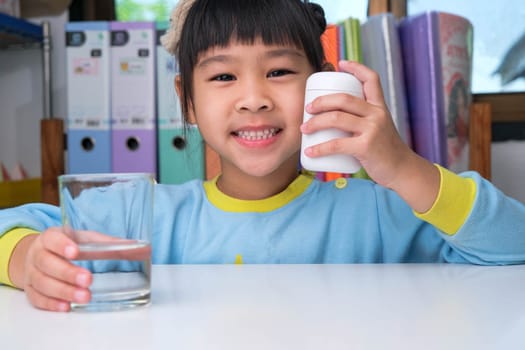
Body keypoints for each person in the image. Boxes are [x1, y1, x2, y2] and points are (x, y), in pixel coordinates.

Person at [1, 0, 525, 312]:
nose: (253, 97)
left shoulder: (378, 213)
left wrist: (402, 167)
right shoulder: (146, 215)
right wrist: (31, 262)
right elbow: (13, 228)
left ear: (322, 85)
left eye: (278, 71)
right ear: (187, 99)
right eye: (223, 76)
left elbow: (512, 246)